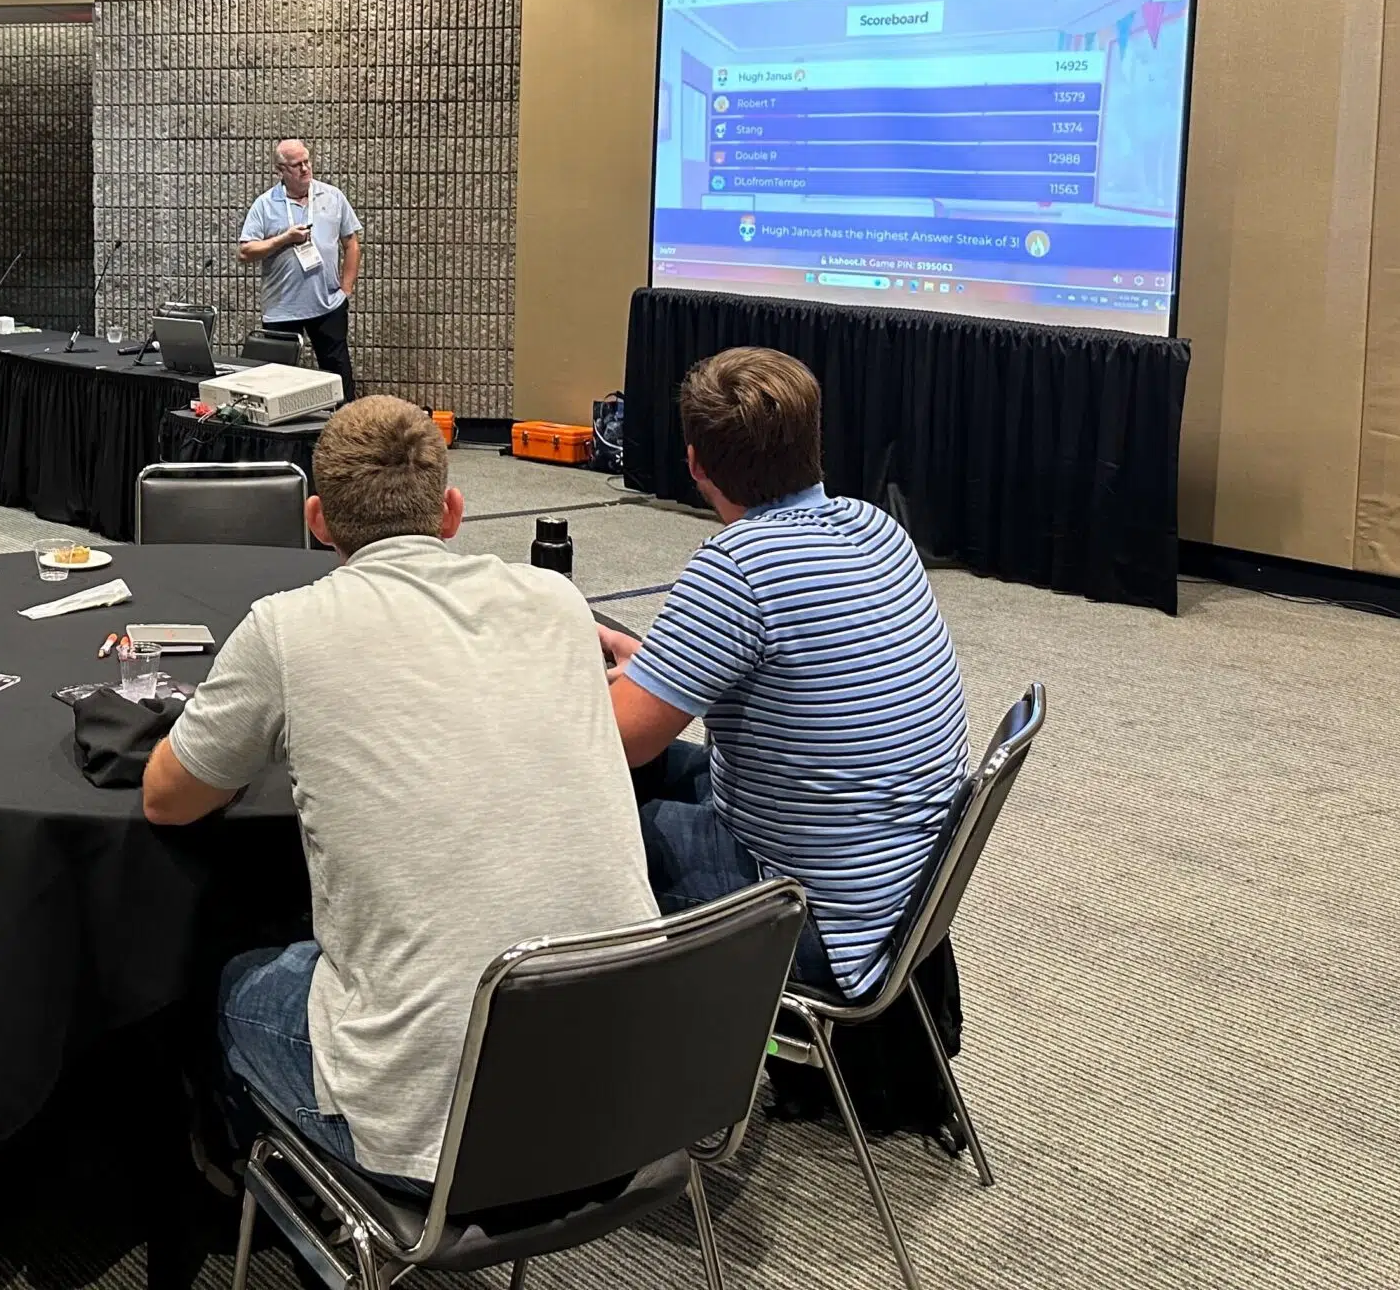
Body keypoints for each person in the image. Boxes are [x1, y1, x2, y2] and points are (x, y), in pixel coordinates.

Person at [143, 396, 656, 1189]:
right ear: (452, 511)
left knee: (232, 979)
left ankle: (268, 1187)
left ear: (318, 520)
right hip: (633, 1097)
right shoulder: (557, 603)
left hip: (435, 1133)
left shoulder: (287, 628)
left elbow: (168, 800)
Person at [600, 347, 971, 998]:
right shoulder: (876, 528)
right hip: (896, 890)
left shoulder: (739, 566)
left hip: (815, 920)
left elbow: (612, 744)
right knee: (669, 772)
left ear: (696, 463)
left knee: (581, 817)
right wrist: (651, 669)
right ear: (813, 442)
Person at [236, 138, 360, 401]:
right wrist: (284, 238)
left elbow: (351, 243)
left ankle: (348, 433)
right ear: (281, 170)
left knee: (338, 374)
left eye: (307, 161)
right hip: (283, 307)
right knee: (277, 380)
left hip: (327, 304)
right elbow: (245, 252)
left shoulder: (332, 196)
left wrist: (346, 289)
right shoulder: (265, 204)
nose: (305, 168)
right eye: (296, 165)